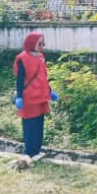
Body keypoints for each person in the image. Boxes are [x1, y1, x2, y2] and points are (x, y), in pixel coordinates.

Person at [13, 32, 58, 162]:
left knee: (39, 125)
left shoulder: (40, 57)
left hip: (41, 97)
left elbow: (44, 76)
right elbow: (20, 80)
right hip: (29, 99)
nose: (42, 46)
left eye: (43, 43)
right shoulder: (22, 58)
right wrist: (19, 96)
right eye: (40, 43)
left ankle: (36, 151)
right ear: (32, 43)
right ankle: (28, 152)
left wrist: (50, 91)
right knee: (29, 126)